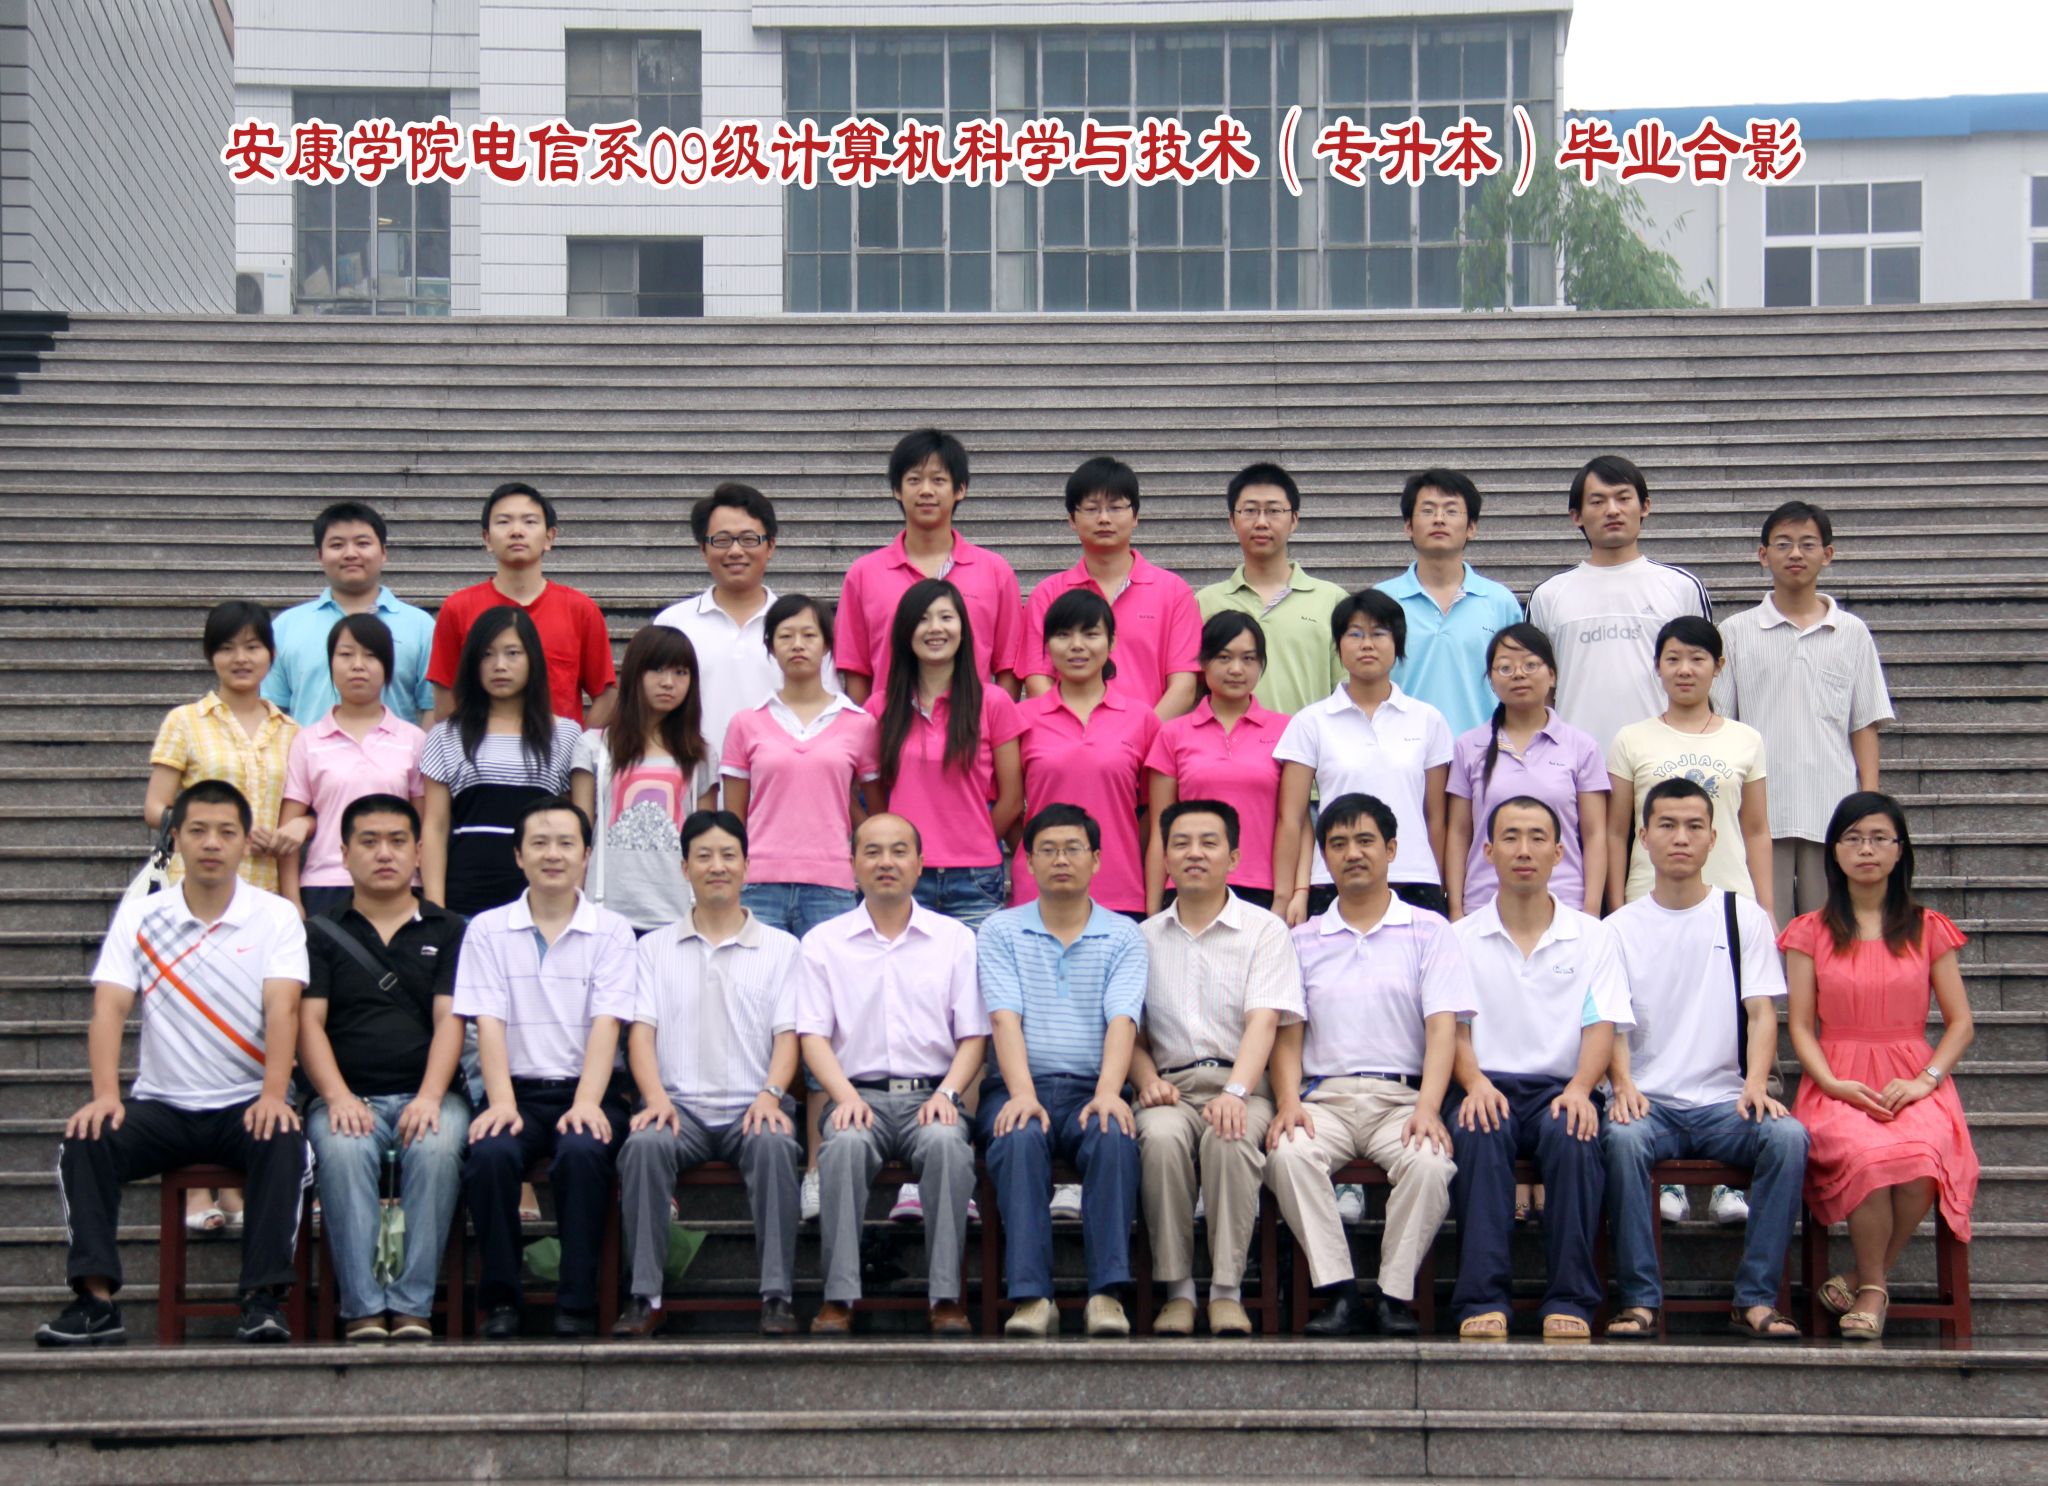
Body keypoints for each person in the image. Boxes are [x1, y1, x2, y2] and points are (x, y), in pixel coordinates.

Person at [36, 780, 310, 1347]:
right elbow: (109, 1009)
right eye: (198, 831)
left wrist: (272, 1093)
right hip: (162, 1107)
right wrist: (106, 1095)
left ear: (245, 843)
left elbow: (283, 1009)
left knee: (286, 1141)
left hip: (244, 1104)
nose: (212, 843)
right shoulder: (142, 915)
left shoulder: (277, 915)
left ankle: (262, 1300)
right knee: (86, 1140)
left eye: (227, 832)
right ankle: (95, 1301)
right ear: (177, 838)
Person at [1601, 778, 1808, 1341]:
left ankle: (1756, 1298)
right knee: (1621, 1140)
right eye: (1667, 825)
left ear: (1714, 838)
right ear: (1644, 836)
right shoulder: (1617, 928)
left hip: (1725, 1103)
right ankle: (1640, 1299)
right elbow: (1611, 1022)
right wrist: (1623, 1084)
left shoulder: (1743, 917)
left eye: (1694, 826)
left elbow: (1762, 1013)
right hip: (1650, 1104)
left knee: (1788, 1138)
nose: (1681, 838)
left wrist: (1757, 1083)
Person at [1263, 793, 1466, 1338]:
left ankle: (1393, 1296)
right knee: (1287, 1155)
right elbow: (1287, 1035)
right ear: (1324, 858)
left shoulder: (1429, 930)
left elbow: (1442, 1029)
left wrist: (1429, 1107)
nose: (1352, 853)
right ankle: (1340, 1293)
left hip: (1401, 1101)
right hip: (1323, 1100)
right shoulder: (1301, 940)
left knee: (1430, 1165)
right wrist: (1287, 1102)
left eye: (1365, 841)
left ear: (1391, 849)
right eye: (1338, 843)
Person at [1783, 791, 1978, 1342]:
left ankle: (1866, 1283)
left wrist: (1924, 1082)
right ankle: (1873, 1287)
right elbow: (1800, 1026)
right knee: (1867, 1155)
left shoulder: (1927, 927)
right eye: (1853, 838)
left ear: (1899, 850)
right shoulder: (1808, 931)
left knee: (1921, 1158)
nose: (1866, 849)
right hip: (1836, 1077)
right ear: (1834, 852)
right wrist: (1831, 1083)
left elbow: (1960, 1023)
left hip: (1913, 1074)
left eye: (1878, 838)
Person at [612, 810, 805, 1339]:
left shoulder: (783, 948)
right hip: (678, 1108)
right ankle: (644, 1296)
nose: (717, 866)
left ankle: (777, 1296)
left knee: (774, 1146)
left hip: (753, 1106)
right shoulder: (651, 949)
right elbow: (640, 1035)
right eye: (703, 856)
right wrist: (654, 1097)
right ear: (684, 868)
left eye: (728, 855)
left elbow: (788, 1036)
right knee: (644, 1146)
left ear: (747, 865)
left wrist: (771, 1094)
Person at [1446, 797, 1634, 1340]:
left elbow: (1601, 1024)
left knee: (1575, 1131)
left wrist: (1581, 1088)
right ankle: (1482, 1299)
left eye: (1536, 838)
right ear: (1487, 852)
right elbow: (1452, 1028)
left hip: (1562, 1085)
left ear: (1559, 852)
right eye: (1510, 837)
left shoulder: (1594, 935)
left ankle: (1571, 1299)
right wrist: (1474, 1083)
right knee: (1479, 1128)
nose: (1523, 850)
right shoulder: (1458, 937)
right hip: (1485, 1082)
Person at [801, 814, 989, 1336]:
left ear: (920, 863)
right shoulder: (823, 942)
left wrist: (949, 1093)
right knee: (842, 1149)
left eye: (899, 851)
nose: (886, 862)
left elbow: (973, 1035)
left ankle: (946, 1297)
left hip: (932, 1094)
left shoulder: (954, 939)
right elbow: (812, 1035)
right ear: (853, 864)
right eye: (873, 851)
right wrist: (843, 1096)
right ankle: (838, 1298)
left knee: (948, 1147)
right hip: (855, 1094)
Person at [454, 798, 636, 1339]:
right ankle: (501, 1302)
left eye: (565, 844)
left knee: (582, 1151)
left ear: (586, 855)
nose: (552, 854)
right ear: (518, 856)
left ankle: (576, 1303)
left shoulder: (613, 931)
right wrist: (500, 1102)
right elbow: (487, 1022)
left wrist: (586, 1102)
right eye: (539, 843)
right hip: (515, 1092)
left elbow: (608, 1023)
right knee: (490, 1155)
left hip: (590, 1091)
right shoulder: (487, 929)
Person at [296, 794, 469, 1342]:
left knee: (438, 1147)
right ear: (344, 854)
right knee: (344, 1150)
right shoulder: (320, 932)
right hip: (348, 1096)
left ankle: (413, 1305)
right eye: (368, 842)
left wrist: (430, 1096)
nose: (384, 853)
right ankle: (364, 1308)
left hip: (431, 1094)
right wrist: (338, 1097)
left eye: (397, 841)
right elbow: (307, 1024)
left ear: (419, 853)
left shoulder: (448, 929)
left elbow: (450, 1021)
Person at [1133, 800, 1303, 1337]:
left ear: (1233, 857)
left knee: (1230, 1138)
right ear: (1164, 858)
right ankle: (1179, 1291)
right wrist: (1146, 1080)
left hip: (1244, 1085)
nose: (1194, 853)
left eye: (1209, 842)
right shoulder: (1142, 938)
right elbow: (1128, 1033)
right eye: (1181, 843)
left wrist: (1236, 1091)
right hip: (1171, 1089)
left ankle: (1227, 1290)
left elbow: (1265, 1021)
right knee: (1160, 1139)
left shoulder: (1264, 930)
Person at [976, 805, 1147, 1338]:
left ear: (1096, 859)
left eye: (1073, 849)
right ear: (1027, 862)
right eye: (1047, 850)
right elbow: (1004, 1018)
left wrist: (1109, 1092)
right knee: (1018, 1137)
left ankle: (1106, 1295)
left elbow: (1122, 1020)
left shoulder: (1124, 935)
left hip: (1091, 1087)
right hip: (1017, 1085)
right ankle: (1032, 1298)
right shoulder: (1000, 929)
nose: (1061, 860)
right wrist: (1022, 1094)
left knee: (1113, 1134)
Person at [1715, 500, 1894, 925]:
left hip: (1831, 810)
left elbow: (1863, 724)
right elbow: (1721, 724)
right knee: (1766, 931)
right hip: (1758, 816)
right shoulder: (1735, 632)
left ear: (1827, 554)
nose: (1795, 553)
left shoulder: (1851, 633)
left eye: (1807, 544)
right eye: (1783, 544)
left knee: (1833, 931)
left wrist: (1868, 805)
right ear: (1763, 555)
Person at [1272, 590, 1453, 925]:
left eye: (1378, 633)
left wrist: (1440, 883)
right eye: (1354, 634)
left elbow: (1436, 818)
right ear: (1339, 646)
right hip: (1333, 878)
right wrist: (1295, 891)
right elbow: (1292, 819)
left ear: (1397, 644)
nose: (1366, 644)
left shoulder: (1428, 720)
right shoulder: (1311, 722)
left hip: (1414, 878)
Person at [654, 482, 839, 788]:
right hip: (691, 790)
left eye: (749, 539)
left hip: (781, 793)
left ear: (771, 546)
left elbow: (827, 714)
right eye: (722, 540)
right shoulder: (674, 624)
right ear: (703, 549)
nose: (736, 551)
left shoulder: (801, 628)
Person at [1527, 454, 1712, 760]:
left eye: (1623, 498)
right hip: (1574, 764)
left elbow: (1705, 679)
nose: (1612, 510)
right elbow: (1539, 692)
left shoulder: (1682, 587)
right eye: (1598, 501)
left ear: (1645, 506)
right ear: (1577, 516)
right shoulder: (1549, 595)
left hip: (1664, 763)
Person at [865, 578, 1024, 931]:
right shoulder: (880, 708)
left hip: (974, 878)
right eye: (922, 619)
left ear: (963, 630)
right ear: (905, 632)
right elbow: (871, 793)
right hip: (901, 874)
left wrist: (975, 837)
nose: (935, 628)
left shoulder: (993, 702)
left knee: (973, 969)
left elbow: (1013, 798)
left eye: (946, 618)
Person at [720, 594, 880, 938]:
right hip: (759, 884)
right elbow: (734, 819)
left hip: (832, 885)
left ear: (827, 645)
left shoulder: (860, 723)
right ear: (770, 646)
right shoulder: (745, 723)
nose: (797, 645)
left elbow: (875, 815)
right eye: (785, 636)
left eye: (809, 635)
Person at [835, 428, 1023, 702]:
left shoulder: (995, 572)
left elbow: (1008, 666)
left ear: (960, 489)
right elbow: (856, 670)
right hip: (890, 726)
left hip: (972, 725)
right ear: (897, 490)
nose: (925, 491)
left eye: (938, 480)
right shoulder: (863, 574)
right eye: (914, 480)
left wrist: (992, 722)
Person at [419, 606, 582, 919]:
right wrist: (436, 910)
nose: (500, 666)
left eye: (512, 653)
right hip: (464, 904)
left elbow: (572, 828)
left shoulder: (565, 735)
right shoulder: (446, 735)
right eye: (487, 655)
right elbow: (435, 826)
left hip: (541, 907)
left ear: (532, 659)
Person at [1014, 590, 1162, 921]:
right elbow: (1009, 805)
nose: (1077, 645)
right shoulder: (1022, 719)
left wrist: (1123, 847)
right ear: (1046, 645)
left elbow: (1153, 811)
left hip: (1120, 891)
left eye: (1091, 634)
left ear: (1112, 642)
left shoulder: (1142, 719)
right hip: (1038, 894)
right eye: (1063, 635)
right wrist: (1034, 849)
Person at [1607, 616, 1772, 913]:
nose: (1685, 670)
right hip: (1649, 900)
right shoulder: (1630, 739)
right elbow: (1616, 833)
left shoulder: (1746, 739)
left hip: (1730, 900)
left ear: (1718, 666)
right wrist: (1617, 905)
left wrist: (1767, 908)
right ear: (1658, 666)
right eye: (1673, 659)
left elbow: (1756, 831)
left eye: (1697, 659)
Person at [1445, 623, 1608, 921]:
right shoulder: (1469, 746)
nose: (1518, 674)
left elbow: (1595, 834)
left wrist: (1591, 909)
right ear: (1491, 680)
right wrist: (1456, 908)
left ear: (1552, 675)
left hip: (1565, 903)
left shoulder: (1581, 747)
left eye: (1531, 665)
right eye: (1505, 667)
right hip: (1484, 903)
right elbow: (1458, 832)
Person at [1018, 456, 1201, 719]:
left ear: (1135, 516)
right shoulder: (1047, 594)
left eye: (1115, 507)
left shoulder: (1174, 593)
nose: (1104, 518)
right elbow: (1038, 680)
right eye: (1091, 509)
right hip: (1068, 739)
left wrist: (1139, 735)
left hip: (1149, 741)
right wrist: (1073, 733)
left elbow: (1183, 687)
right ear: (1072, 519)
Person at [428, 482, 617, 727]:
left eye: (529, 521)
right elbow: (445, 697)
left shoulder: (581, 610)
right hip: (480, 748)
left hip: (555, 748)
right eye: (504, 522)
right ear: (487, 538)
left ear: (549, 537)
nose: (517, 531)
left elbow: (607, 695)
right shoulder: (457, 609)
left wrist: (574, 744)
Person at [569, 625, 717, 936]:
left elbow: (705, 839)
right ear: (635, 673)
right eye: (657, 670)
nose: (668, 682)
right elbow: (578, 833)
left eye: (680, 672)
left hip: (679, 910)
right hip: (607, 908)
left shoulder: (700, 754)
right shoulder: (594, 746)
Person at [277, 613, 427, 920]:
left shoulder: (414, 740)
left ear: (387, 666)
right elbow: (287, 833)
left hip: (399, 883)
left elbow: (425, 827)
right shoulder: (307, 741)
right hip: (325, 883)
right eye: (346, 655)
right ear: (330, 664)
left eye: (371, 656)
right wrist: (292, 900)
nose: (358, 665)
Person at [146, 600, 299, 899]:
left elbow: (302, 808)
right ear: (211, 655)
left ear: (272, 654)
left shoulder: (291, 732)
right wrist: (227, 829)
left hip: (264, 890)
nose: (241, 659)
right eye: (227, 648)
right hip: (194, 886)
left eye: (252, 647)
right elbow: (154, 807)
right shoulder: (185, 721)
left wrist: (302, 825)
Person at [1144, 611, 1289, 913]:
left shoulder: (1286, 730)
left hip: (1262, 891)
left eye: (1248, 659)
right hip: (1187, 888)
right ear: (1203, 662)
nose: (1236, 669)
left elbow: (1294, 821)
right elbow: (1160, 830)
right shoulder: (1173, 734)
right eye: (1224, 657)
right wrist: (1153, 911)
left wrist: (1287, 896)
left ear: (1261, 664)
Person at [1377, 469, 1525, 737]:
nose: (1439, 519)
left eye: (1451, 510)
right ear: (1408, 526)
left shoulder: (1500, 602)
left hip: (1484, 752)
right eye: (1427, 510)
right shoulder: (1380, 601)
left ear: (1472, 527)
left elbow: (1521, 686)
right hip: (1400, 753)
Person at [1194, 462, 1347, 716]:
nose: (1262, 522)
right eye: (1250, 511)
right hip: (1228, 741)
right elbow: (1194, 691)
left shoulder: (1332, 600)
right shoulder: (1205, 603)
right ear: (1232, 520)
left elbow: (1347, 691)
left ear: (1294, 520)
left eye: (1274, 511)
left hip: (1308, 741)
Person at [264, 500, 436, 725]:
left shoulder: (420, 626)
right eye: (337, 545)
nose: (350, 554)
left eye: (362, 543)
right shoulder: (286, 626)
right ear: (320, 556)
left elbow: (433, 706)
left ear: (383, 552)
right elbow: (271, 708)